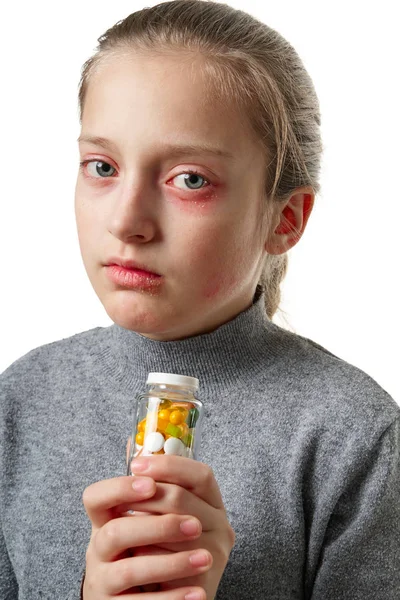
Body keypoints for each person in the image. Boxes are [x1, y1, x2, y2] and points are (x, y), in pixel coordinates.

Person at [1, 0, 399, 598]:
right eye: (102, 166)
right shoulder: (21, 401)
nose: (128, 221)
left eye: (190, 179)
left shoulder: (353, 440)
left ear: (284, 218)